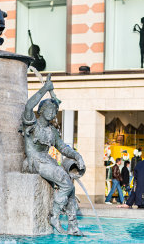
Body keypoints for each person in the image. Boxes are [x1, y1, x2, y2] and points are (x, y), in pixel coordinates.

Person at [21, 73, 86, 236]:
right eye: (49, 109)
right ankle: (54, 217)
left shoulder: (52, 131)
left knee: (70, 188)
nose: (52, 112)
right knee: (66, 182)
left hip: (46, 161)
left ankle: (72, 225)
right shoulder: (32, 123)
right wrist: (45, 88)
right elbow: (29, 106)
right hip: (34, 161)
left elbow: (63, 148)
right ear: (41, 110)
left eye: (54, 110)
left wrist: (77, 156)